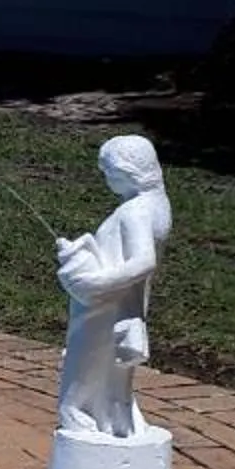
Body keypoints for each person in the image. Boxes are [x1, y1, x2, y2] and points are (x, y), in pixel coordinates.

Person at [55, 134, 170, 439]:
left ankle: (78, 413)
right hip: (120, 301)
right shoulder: (155, 205)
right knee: (113, 370)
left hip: (105, 303)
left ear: (126, 172)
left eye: (109, 174)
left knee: (84, 359)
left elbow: (143, 261)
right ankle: (115, 417)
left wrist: (96, 282)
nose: (106, 180)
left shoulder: (135, 211)